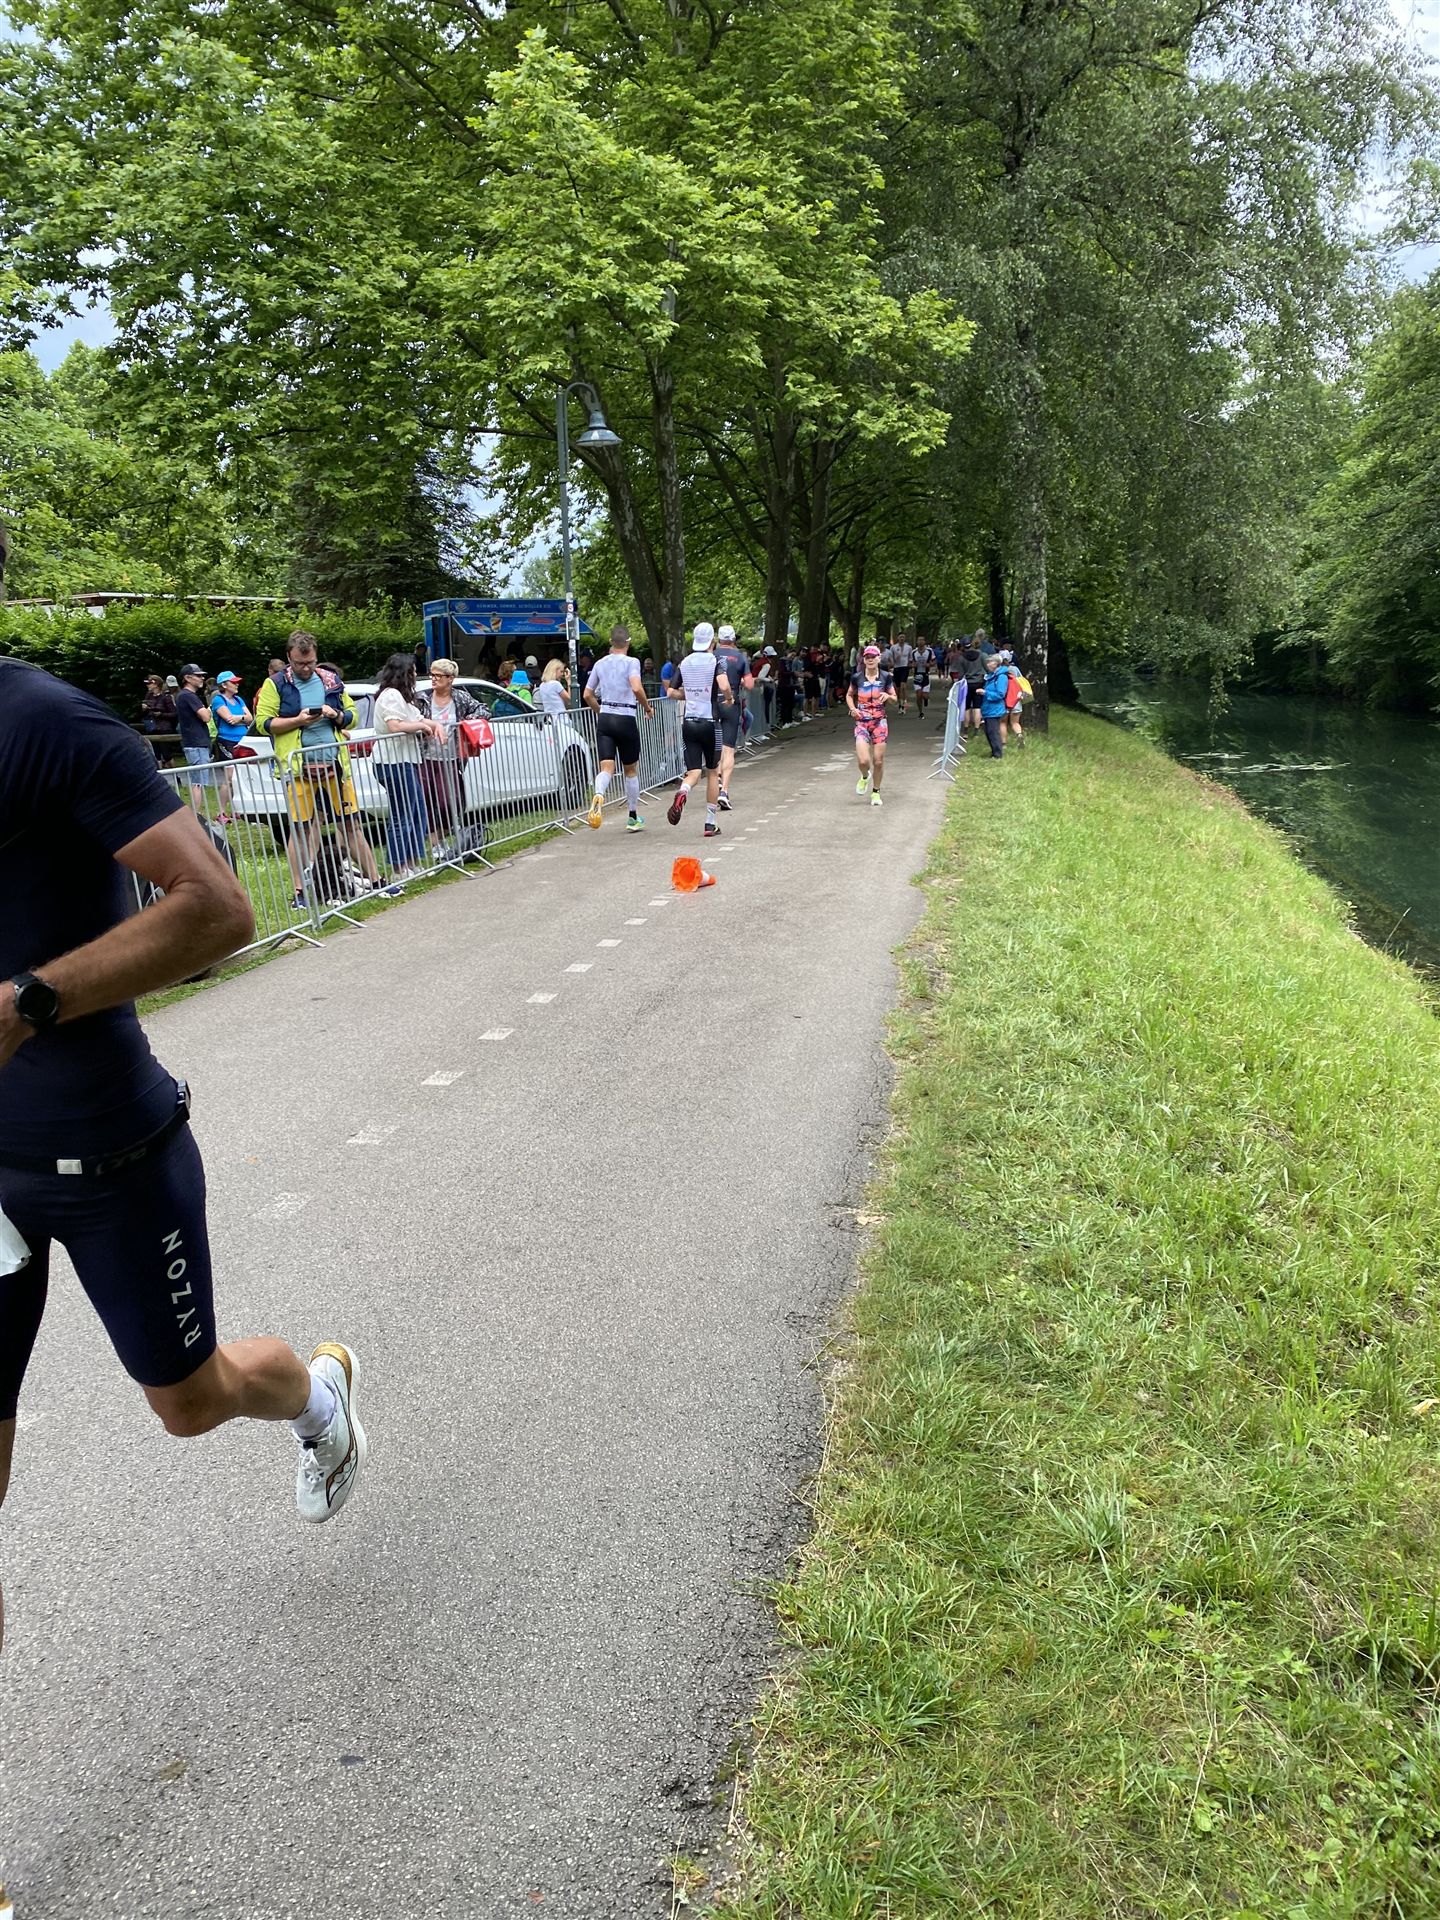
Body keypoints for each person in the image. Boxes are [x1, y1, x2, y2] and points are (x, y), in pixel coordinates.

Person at [0, 659, 369, 1656]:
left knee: (190, 1403)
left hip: (109, 1153)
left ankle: (317, 1399)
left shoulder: (42, 722)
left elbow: (218, 906)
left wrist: (25, 1005)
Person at [255, 630, 385, 907]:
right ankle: (301, 892)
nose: (306, 668)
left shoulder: (331, 680)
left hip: (334, 765)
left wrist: (335, 715)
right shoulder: (275, 684)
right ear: (289, 657)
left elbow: (352, 716)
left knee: (351, 824)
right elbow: (264, 723)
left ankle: (376, 881)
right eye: (299, 663)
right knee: (301, 830)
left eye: (310, 662)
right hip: (298, 769)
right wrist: (298, 721)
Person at [373, 651, 441, 880]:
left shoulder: (402, 697)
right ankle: (399, 868)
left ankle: (413, 861)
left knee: (417, 811)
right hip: (393, 762)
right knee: (402, 815)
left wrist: (436, 726)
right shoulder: (391, 695)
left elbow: (419, 718)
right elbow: (395, 725)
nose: (415, 674)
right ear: (404, 673)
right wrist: (422, 728)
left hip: (405, 760)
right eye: (412, 671)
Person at [583, 623, 654, 833]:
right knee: (630, 770)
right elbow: (636, 687)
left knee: (606, 768)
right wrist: (647, 707)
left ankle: (599, 794)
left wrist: (599, 711)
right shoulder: (632, 662)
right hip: (625, 717)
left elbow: (587, 694)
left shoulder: (600, 663)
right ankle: (632, 816)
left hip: (606, 717)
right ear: (628, 642)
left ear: (610, 642)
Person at [666, 622, 733, 836]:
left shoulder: (684, 662)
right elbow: (724, 685)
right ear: (712, 641)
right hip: (710, 722)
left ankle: (683, 791)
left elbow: (670, 692)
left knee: (694, 771)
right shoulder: (716, 661)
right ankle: (710, 823)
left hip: (689, 722)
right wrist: (729, 698)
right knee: (712, 771)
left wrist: (688, 695)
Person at [418, 658, 486, 854]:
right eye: (432, 675)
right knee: (427, 801)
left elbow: (483, 709)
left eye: (438, 676)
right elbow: (413, 717)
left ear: (450, 678)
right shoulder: (423, 698)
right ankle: (435, 845)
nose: (434, 679)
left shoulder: (460, 698)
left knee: (449, 802)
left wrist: (467, 722)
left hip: (451, 758)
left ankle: (442, 835)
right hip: (425, 757)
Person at [847, 642, 897, 808]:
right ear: (863, 659)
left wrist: (887, 696)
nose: (870, 660)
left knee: (878, 761)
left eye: (873, 657)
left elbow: (895, 698)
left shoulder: (886, 677)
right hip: (862, 722)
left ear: (879, 658)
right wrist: (853, 709)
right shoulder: (857, 677)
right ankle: (864, 776)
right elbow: (849, 695)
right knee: (863, 761)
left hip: (879, 722)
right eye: (867, 657)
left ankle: (876, 792)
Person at [713, 623, 753, 811]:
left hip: (712, 703)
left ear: (718, 639)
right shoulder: (740, 657)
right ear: (734, 639)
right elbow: (750, 684)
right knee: (728, 749)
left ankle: (716, 781)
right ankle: (724, 791)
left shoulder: (711, 655)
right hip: (731, 703)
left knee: (714, 747)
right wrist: (741, 681)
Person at [208, 670, 251, 825]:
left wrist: (240, 718)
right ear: (224, 685)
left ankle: (236, 810)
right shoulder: (219, 700)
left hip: (242, 740)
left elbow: (250, 718)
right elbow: (229, 719)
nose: (237, 684)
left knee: (240, 776)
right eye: (234, 682)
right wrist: (242, 719)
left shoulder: (239, 699)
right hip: (226, 741)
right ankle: (221, 812)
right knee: (230, 778)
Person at [175, 663, 214, 812]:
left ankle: (196, 814)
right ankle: (194, 815)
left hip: (195, 743)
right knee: (198, 783)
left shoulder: (185, 696)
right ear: (187, 678)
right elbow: (206, 717)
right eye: (198, 675)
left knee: (199, 782)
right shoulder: (188, 696)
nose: (202, 678)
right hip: (196, 744)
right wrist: (208, 710)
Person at [980, 653, 1014, 758]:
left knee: (993, 731)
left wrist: (985, 693)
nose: (988, 664)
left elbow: (1000, 694)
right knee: (988, 731)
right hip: (988, 707)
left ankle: (997, 754)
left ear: (996, 663)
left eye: (990, 662)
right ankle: (994, 752)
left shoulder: (1001, 677)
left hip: (995, 708)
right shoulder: (991, 676)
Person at [891, 636, 913, 712]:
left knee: (903, 686)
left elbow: (910, 658)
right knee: (897, 688)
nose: (902, 638)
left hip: (905, 668)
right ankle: (900, 703)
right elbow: (891, 659)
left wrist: (910, 666)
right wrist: (894, 659)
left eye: (903, 637)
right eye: (900, 637)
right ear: (897, 638)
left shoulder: (909, 647)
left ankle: (904, 703)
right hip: (897, 668)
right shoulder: (893, 647)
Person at [913, 639, 932, 717]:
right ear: (917, 642)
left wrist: (929, 665)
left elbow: (934, 662)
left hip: (926, 675)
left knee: (924, 695)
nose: (920, 642)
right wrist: (913, 665)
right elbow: (909, 663)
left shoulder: (929, 651)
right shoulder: (913, 652)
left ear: (924, 642)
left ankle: (926, 699)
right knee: (918, 694)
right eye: (919, 640)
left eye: (922, 640)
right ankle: (920, 712)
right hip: (917, 675)